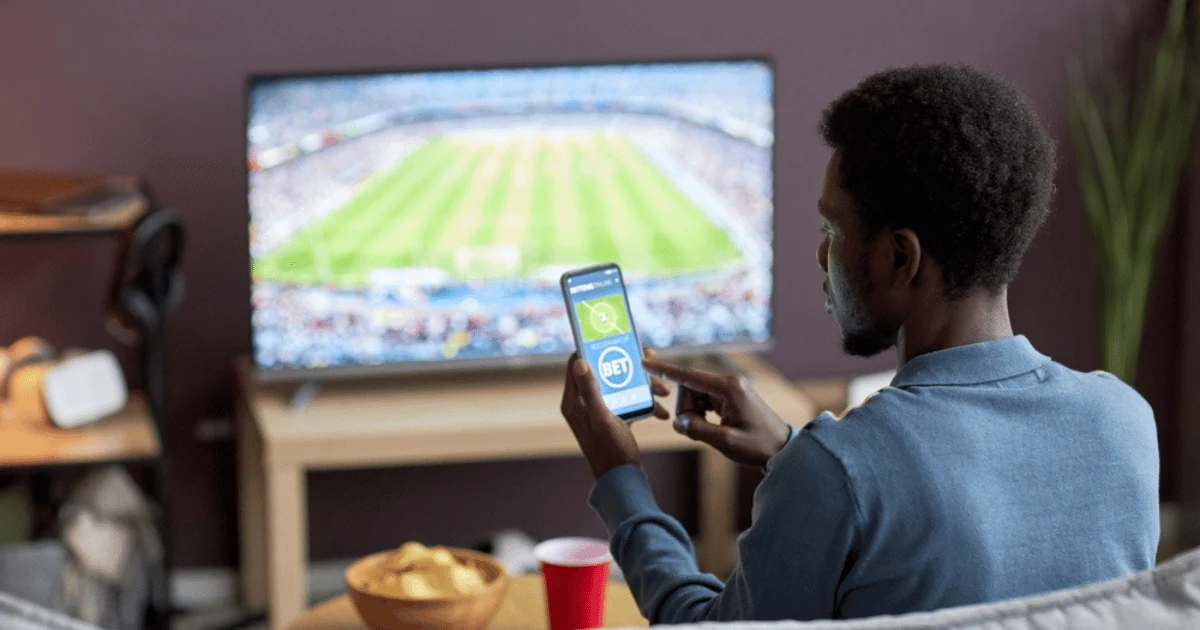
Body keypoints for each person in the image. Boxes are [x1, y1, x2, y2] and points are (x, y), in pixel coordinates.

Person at [557, 64, 1160, 623]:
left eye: (832, 230)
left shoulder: (837, 473)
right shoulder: (1126, 422)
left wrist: (620, 477)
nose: (822, 255)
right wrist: (789, 454)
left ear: (900, 256)